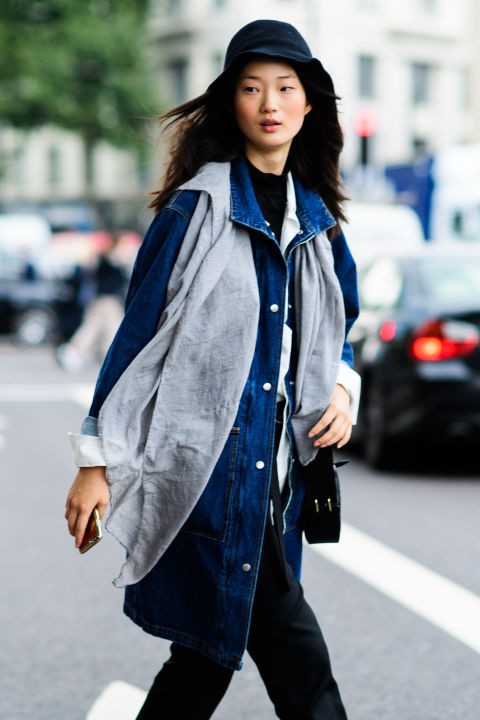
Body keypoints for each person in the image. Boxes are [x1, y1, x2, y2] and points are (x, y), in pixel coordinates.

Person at [65, 19, 361, 720]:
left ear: (308, 104)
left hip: (283, 473)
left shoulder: (318, 220)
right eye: (253, 88)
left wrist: (343, 388)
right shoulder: (195, 209)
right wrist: (94, 459)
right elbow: (137, 338)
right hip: (212, 475)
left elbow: (340, 326)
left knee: (204, 659)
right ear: (231, 101)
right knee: (302, 669)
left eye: (286, 88)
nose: (270, 103)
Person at [56, 232, 127, 370]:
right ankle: (107, 358)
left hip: (101, 300)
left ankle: (73, 350)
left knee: (91, 328)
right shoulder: (108, 260)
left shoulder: (104, 260)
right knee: (113, 330)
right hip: (108, 301)